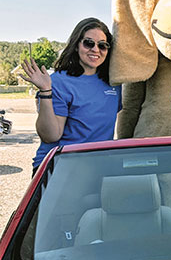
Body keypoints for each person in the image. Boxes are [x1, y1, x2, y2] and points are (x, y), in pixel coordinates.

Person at [20, 17, 122, 175]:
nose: (95, 49)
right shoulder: (59, 82)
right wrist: (46, 92)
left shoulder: (114, 84)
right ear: (76, 45)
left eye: (102, 45)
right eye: (89, 43)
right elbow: (51, 136)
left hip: (97, 166)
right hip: (59, 166)